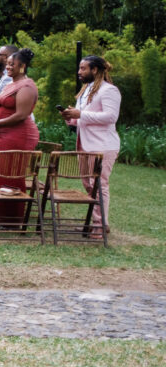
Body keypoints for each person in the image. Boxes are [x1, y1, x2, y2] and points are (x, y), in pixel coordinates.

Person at [60, 56, 120, 239]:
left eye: (83, 68)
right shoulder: (85, 90)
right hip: (85, 143)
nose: (79, 72)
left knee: (99, 184)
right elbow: (85, 118)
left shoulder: (109, 90)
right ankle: (97, 222)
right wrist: (72, 118)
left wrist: (82, 114)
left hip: (102, 145)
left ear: (95, 70)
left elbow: (111, 117)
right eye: (79, 68)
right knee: (88, 185)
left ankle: (100, 225)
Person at [0, 48, 39, 223]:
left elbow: (21, 114)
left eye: (12, 64)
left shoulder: (27, 86)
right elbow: (1, 109)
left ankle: (12, 218)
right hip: (2, 134)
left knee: (11, 174)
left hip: (18, 136)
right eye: (8, 64)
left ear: (23, 66)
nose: (8, 67)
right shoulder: (9, 84)